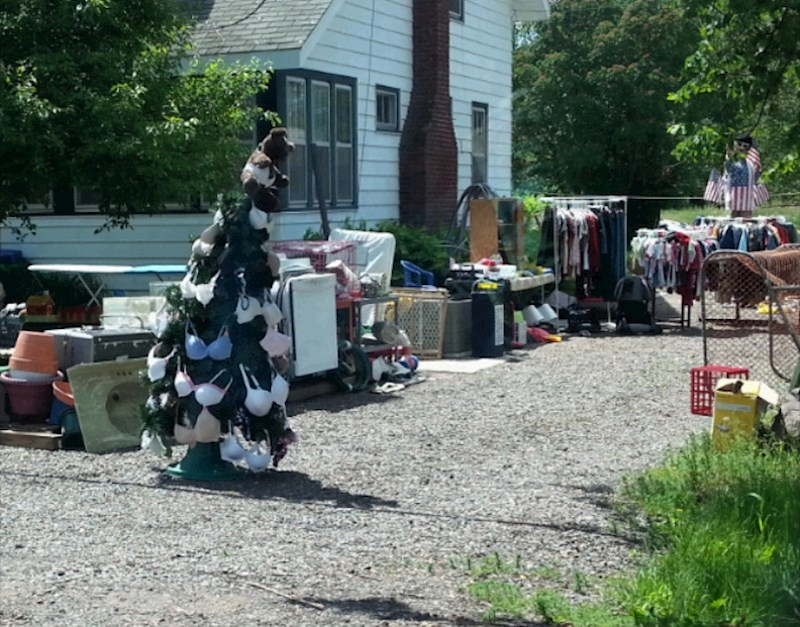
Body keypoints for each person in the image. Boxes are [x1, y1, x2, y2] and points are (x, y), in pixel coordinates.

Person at [723, 133, 767, 218]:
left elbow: (756, 177)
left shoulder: (751, 163)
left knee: (746, 216)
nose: (742, 148)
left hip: (747, 194)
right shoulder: (733, 161)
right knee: (734, 216)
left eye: (745, 146)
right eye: (739, 145)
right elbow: (728, 170)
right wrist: (728, 158)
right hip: (734, 192)